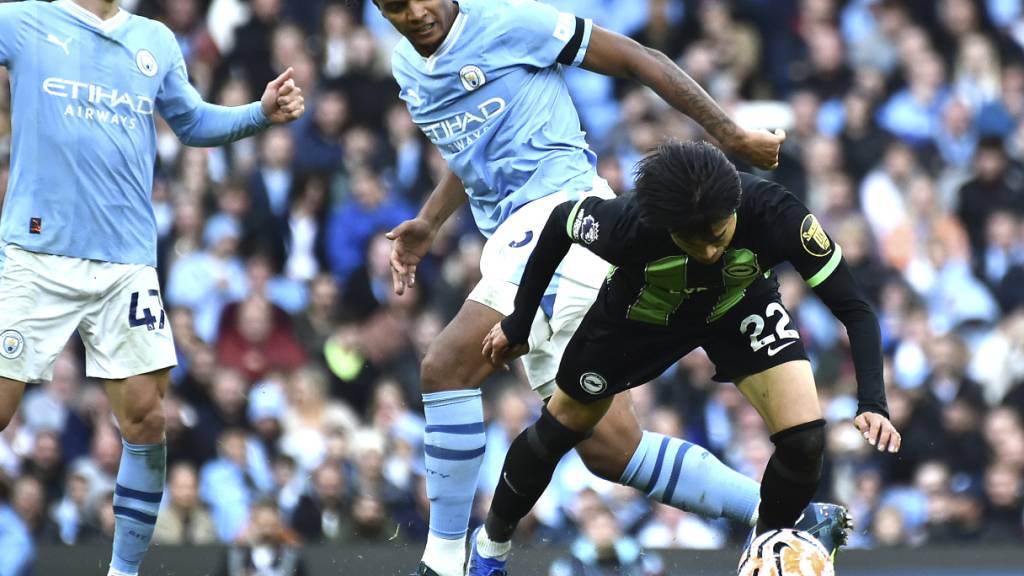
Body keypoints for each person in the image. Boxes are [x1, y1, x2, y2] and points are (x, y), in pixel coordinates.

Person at [377, 1, 786, 575]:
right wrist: (429, 221)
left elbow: (638, 58)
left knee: (445, 367)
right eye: (396, 5)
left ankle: (443, 562)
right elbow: (474, 149)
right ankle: (786, 512)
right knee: (612, 448)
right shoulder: (408, 68)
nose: (416, 12)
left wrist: (730, 134)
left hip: (565, 220)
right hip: (514, 241)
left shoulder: (509, 21)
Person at [476, 140, 902, 574]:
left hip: (738, 306)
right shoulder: (627, 222)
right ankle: (490, 547)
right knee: (562, 427)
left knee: (805, 441)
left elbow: (855, 307)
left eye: (717, 235)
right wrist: (519, 322)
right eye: (692, 241)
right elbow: (560, 223)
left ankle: (763, 552)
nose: (709, 252)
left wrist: (872, 401)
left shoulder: (778, 214)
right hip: (642, 317)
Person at [0, 1, 305, 575]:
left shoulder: (155, 39)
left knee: (146, 418)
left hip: (127, 262)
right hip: (37, 253)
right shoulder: (23, 21)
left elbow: (191, 122)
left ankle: (124, 572)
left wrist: (259, 113)